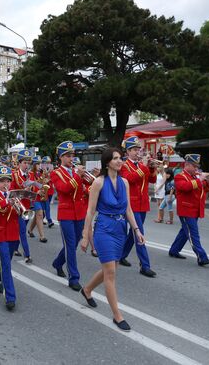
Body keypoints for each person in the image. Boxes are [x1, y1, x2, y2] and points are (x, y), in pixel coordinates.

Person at [79, 147, 145, 331]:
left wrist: (136, 230)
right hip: (104, 229)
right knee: (111, 273)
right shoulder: (98, 183)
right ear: (107, 162)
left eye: (120, 158)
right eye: (115, 158)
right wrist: (85, 236)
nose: (119, 161)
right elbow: (90, 211)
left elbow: (128, 209)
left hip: (120, 229)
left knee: (112, 268)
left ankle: (87, 289)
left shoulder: (124, 182)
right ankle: (117, 315)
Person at [50, 141, 88, 291]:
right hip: (66, 213)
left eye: (72, 155)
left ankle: (58, 263)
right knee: (71, 246)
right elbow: (64, 189)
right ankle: (74, 278)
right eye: (67, 155)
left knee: (73, 243)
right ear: (61, 157)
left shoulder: (76, 171)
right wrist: (78, 176)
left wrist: (93, 177)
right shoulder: (56, 173)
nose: (71, 158)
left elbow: (86, 187)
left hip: (79, 212)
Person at [118, 136, 157, 278]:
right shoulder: (123, 165)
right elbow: (130, 179)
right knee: (139, 232)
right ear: (127, 151)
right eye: (134, 150)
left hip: (142, 204)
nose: (137, 152)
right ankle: (145, 265)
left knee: (133, 233)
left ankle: (121, 255)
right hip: (131, 205)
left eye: (138, 149)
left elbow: (151, 180)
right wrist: (146, 167)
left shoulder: (142, 165)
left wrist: (152, 168)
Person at [168, 154, 209, 266]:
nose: (196, 169)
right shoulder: (180, 176)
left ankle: (174, 250)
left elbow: (203, 189)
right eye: (194, 166)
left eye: (197, 166)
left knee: (185, 232)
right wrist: (201, 179)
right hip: (186, 210)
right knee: (193, 234)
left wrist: (208, 182)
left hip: (195, 210)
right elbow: (185, 187)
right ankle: (202, 257)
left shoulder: (195, 177)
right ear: (187, 165)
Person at [0, 165, 21, 310]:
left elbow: (21, 212)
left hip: (13, 233)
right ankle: (10, 297)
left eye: (7, 181)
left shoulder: (15, 195)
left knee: (6, 260)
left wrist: (20, 204)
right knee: (6, 264)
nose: (5, 184)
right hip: (1, 233)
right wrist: (6, 202)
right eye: (2, 181)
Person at [11, 149, 34, 262]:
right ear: (19, 163)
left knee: (18, 229)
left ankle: (15, 248)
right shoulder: (14, 175)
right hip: (18, 207)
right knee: (22, 231)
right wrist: (23, 190)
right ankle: (27, 255)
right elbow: (11, 192)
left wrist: (35, 190)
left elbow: (35, 191)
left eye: (28, 163)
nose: (26, 165)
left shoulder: (31, 175)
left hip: (27, 206)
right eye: (24, 163)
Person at [27, 155, 48, 243]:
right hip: (33, 197)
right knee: (40, 214)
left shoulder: (40, 173)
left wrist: (46, 181)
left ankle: (30, 230)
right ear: (33, 165)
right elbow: (30, 185)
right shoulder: (30, 174)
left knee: (37, 215)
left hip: (40, 196)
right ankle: (42, 236)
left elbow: (42, 183)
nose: (39, 166)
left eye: (40, 164)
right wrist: (37, 191)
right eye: (37, 164)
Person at [41, 156, 55, 228]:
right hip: (44, 191)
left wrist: (49, 176)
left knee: (46, 206)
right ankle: (49, 220)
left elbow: (53, 180)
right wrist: (45, 174)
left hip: (50, 191)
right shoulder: (41, 171)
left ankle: (41, 218)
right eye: (46, 163)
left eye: (49, 163)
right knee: (47, 206)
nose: (48, 164)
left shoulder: (52, 171)